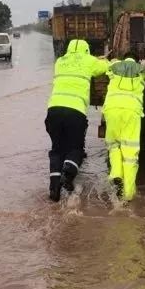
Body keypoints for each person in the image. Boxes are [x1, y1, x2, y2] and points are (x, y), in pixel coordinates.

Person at [46, 39, 111, 202]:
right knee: (75, 148)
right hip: (75, 111)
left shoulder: (60, 62)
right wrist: (107, 59)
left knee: (57, 149)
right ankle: (68, 175)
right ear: (86, 50)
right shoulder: (89, 61)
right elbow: (105, 67)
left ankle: (54, 188)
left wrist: (96, 59)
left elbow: (79, 62)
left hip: (53, 111)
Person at [103, 51, 145, 201]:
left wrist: (114, 60)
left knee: (114, 145)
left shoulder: (115, 66)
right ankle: (128, 195)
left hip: (112, 109)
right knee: (130, 153)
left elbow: (106, 67)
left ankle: (116, 174)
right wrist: (144, 65)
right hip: (132, 112)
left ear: (124, 59)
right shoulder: (141, 70)